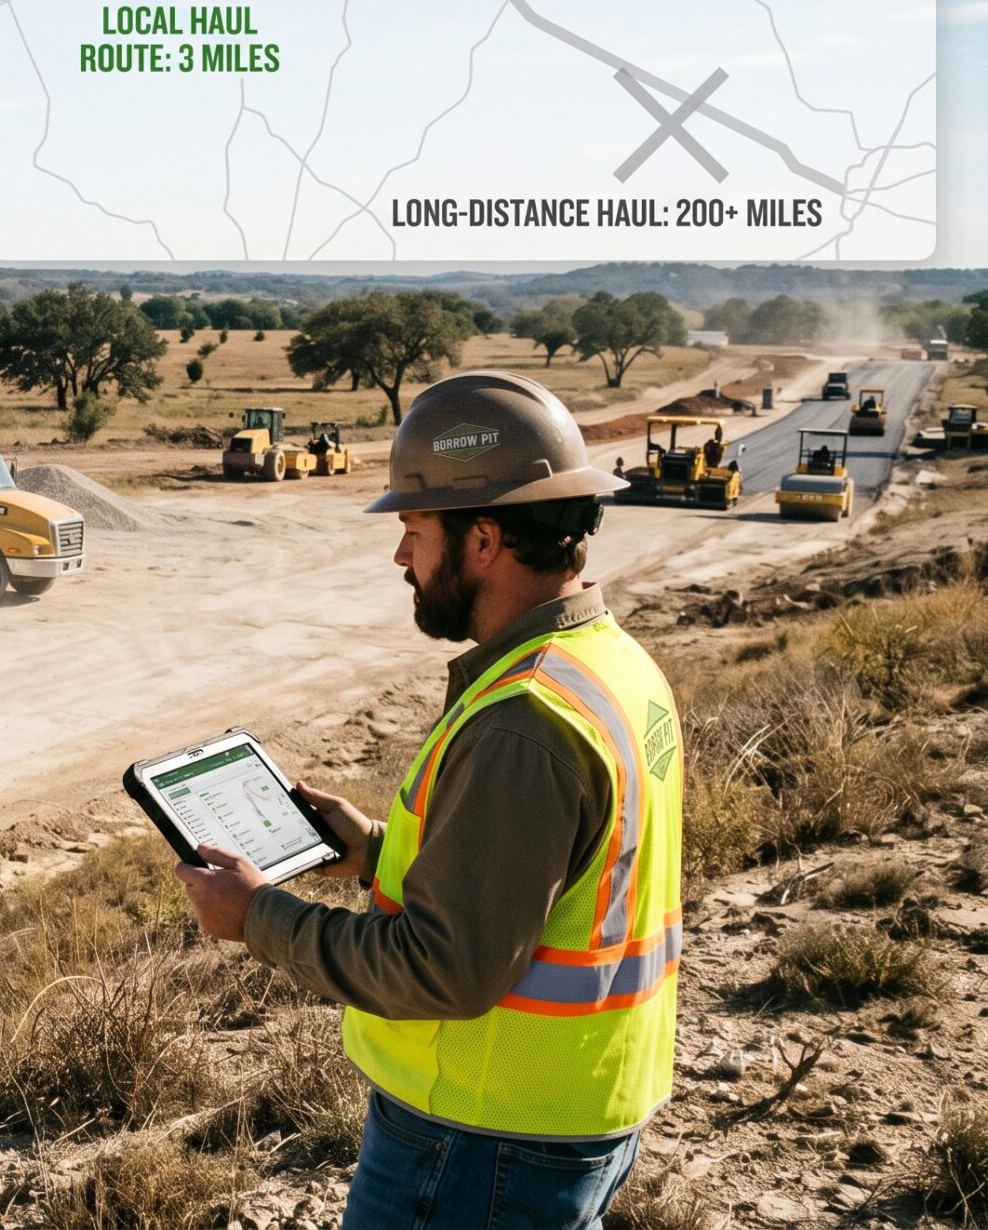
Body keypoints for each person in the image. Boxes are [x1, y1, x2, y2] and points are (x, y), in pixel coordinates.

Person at [174, 370, 683, 1230]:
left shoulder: (525, 719)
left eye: (414, 529)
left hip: (484, 1134)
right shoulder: (611, 663)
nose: (401, 556)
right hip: (571, 1107)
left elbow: (445, 967)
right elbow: (549, 874)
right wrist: (372, 849)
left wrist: (259, 917)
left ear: (484, 539)